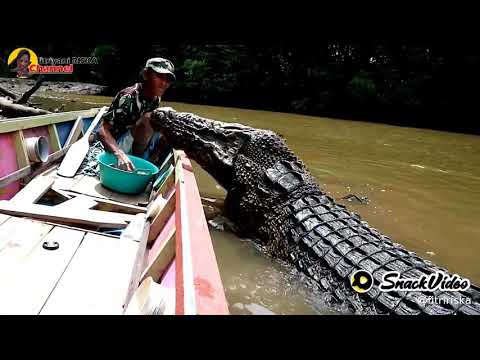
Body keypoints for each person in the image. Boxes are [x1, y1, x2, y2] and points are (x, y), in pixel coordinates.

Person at [97, 57, 176, 171]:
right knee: (148, 119)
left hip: (138, 141)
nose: (163, 83)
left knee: (170, 117)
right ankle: (139, 161)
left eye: (167, 80)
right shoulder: (128, 97)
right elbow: (102, 130)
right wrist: (119, 154)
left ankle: (151, 160)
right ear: (146, 75)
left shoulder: (155, 98)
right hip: (118, 145)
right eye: (159, 76)